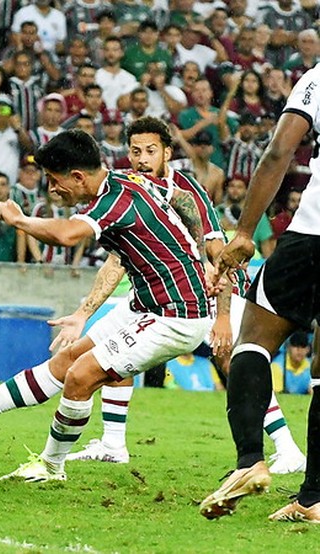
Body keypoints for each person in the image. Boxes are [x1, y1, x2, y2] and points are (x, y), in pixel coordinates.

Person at [0, 129, 212, 483]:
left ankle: (52, 466)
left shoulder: (116, 198)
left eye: (55, 181)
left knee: (81, 376)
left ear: (78, 176)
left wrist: (20, 221)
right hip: (145, 303)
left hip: (176, 314)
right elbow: (176, 203)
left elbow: (66, 235)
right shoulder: (121, 183)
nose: (53, 190)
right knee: (66, 362)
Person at [62, 117, 305, 473]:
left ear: (167, 153)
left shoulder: (185, 192)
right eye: (135, 152)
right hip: (159, 298)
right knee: (114, 348)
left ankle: (286, 448)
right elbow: (118, 260)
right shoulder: (128, 192)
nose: (142, 159)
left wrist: (222, 316)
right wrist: (85, 311)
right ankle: (113, 442)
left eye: (150, 151)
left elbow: (220, 253)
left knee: (234, 361)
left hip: (211, 294)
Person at [200, 63, 320, 523]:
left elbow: (278, 153)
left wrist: (246, 231)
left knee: (252, 342)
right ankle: (313, 499)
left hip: (311, 238)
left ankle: (250, 460)